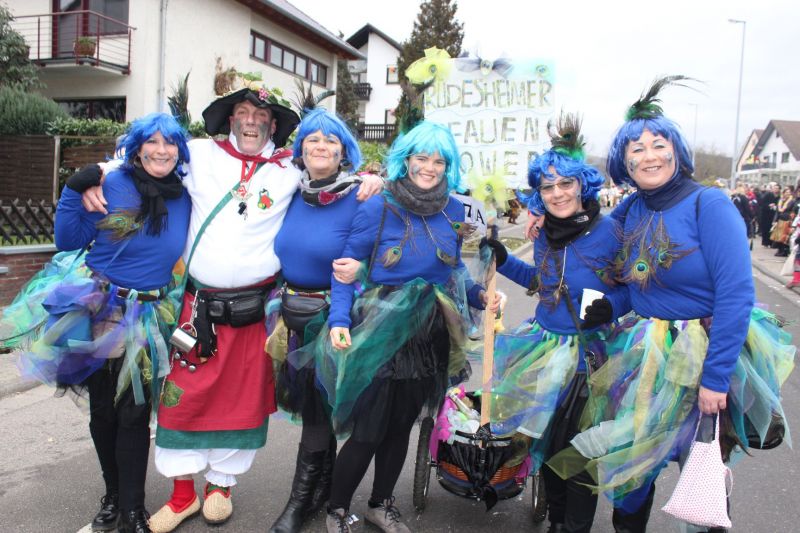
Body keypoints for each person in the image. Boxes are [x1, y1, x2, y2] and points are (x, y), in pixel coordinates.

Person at [79, 87, 383, 533]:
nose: (251, 120)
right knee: (182, 395)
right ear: (230, 119)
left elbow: (335, 175)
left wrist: (375, 179)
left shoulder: (289, 168)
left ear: (273, 125)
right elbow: (144, 156)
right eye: (242, 112)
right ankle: (182, 494)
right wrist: (96, 173)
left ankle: (220, 486)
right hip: (195, 306)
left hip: (255, 310)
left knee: (239, 398)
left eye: (260, 114)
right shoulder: (198, 154)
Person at [548, 77, 795, 532]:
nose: (649, 156)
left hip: (701, 354)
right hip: (642, 354)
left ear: (676, 151)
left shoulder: (710, 204)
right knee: (631, 475)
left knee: (699, 473)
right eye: (636, 149)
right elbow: (627, 278)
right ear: (624, 162)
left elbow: (736, 296)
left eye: (658, 145)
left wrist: (715, 379)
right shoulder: (630, 211)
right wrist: (611, 302)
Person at [289, 121, 497, 533]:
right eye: (422, 157)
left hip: (429, 331)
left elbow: (454, 269)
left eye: (439, 161)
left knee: (401, 428)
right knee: (368, 430)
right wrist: (339, 319)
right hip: (380, 330)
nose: (430, 167)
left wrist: (481, 296)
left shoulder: (454, 211)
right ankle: (336, 509)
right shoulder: (378, 207)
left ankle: (380, 504)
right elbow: (344, 270)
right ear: (406, 159)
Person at [0, 113, 192, 533]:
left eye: (170, 143)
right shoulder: (111, 182)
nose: (161, 150)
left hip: (152, 313)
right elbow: (68, 239)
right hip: (102, 310)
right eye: (152, 141)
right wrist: (74, 188)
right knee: (104, 411)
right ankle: (113, 498)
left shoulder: (187, 192)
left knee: (135, 414)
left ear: (180, 151)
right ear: (137, 147)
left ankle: (133, 509)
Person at [483, 113, 629, 533]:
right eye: (547, 187)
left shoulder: (610, 232)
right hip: (543, 349)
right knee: (545, 445)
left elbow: (635, 290)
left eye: (566, 183)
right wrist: (504, 260)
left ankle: (574, 528)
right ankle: (557, 521)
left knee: (579, 453)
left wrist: (612, 306)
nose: (557, 193)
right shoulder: (545, 233)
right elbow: (543, 283)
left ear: (582, 185)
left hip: (588, 357)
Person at [268, 108, 366, 533]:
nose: (321, 146)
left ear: (344, 152)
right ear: (300, 149)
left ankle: (297, 504)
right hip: (291, 316)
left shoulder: (360, 196)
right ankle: (321, 490)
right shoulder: (290, 193)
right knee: (316, 409)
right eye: (312, 139)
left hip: (334, 317)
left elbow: (367, 258)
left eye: (331, 140)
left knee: (317, 412)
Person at [771, 186, 795, 256]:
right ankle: (779, 249)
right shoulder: (780, 200)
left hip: (786, 220)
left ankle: (783, 251)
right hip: (780, 220)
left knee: (784, 236)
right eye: (786, 192)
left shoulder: (792, 201)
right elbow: (777, 212)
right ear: (783, 193)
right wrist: (774, 220)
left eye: (789, 192)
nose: (788, 193)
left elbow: (792, 211)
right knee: (778, 236)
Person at [758, 182, 779, 246]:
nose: (775, 189)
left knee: (770, 228)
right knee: (766, 228)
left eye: (777, 188)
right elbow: (762, 204)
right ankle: (766, 242)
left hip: (772, 214)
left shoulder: (778, 196)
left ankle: (769, 242)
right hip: (766, 215)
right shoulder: (768, 194)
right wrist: (769, 205)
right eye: (774, 188)